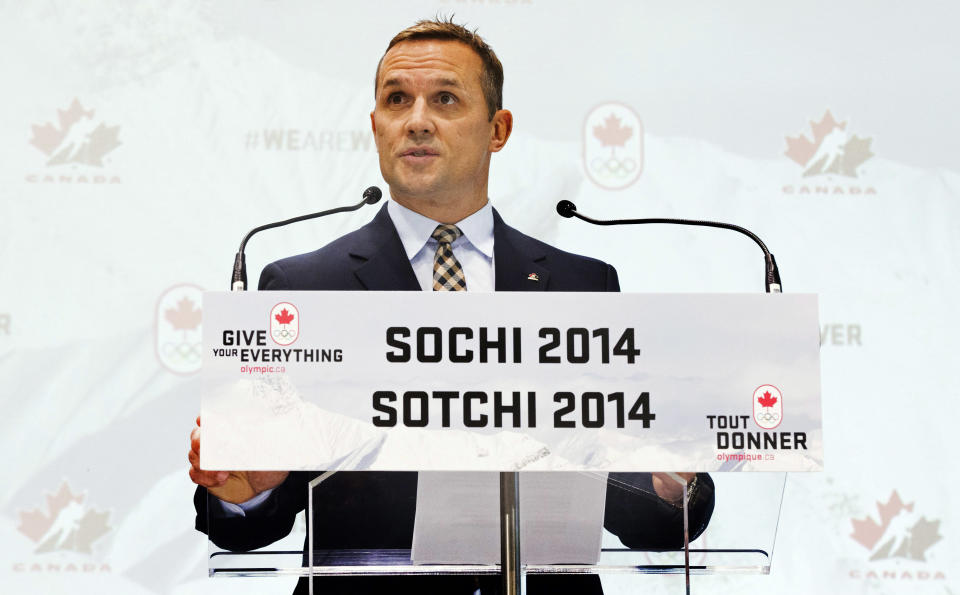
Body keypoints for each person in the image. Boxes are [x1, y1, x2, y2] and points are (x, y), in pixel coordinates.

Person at [190, 17, 714, 595]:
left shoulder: (580, 288)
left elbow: (642, 518)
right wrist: (248, 490)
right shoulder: (303, 288)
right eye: (396, 100)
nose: (416, 121)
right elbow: (248, 517)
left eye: (445, 98)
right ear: (375, 126)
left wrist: (669, 483)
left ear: (498, 129)